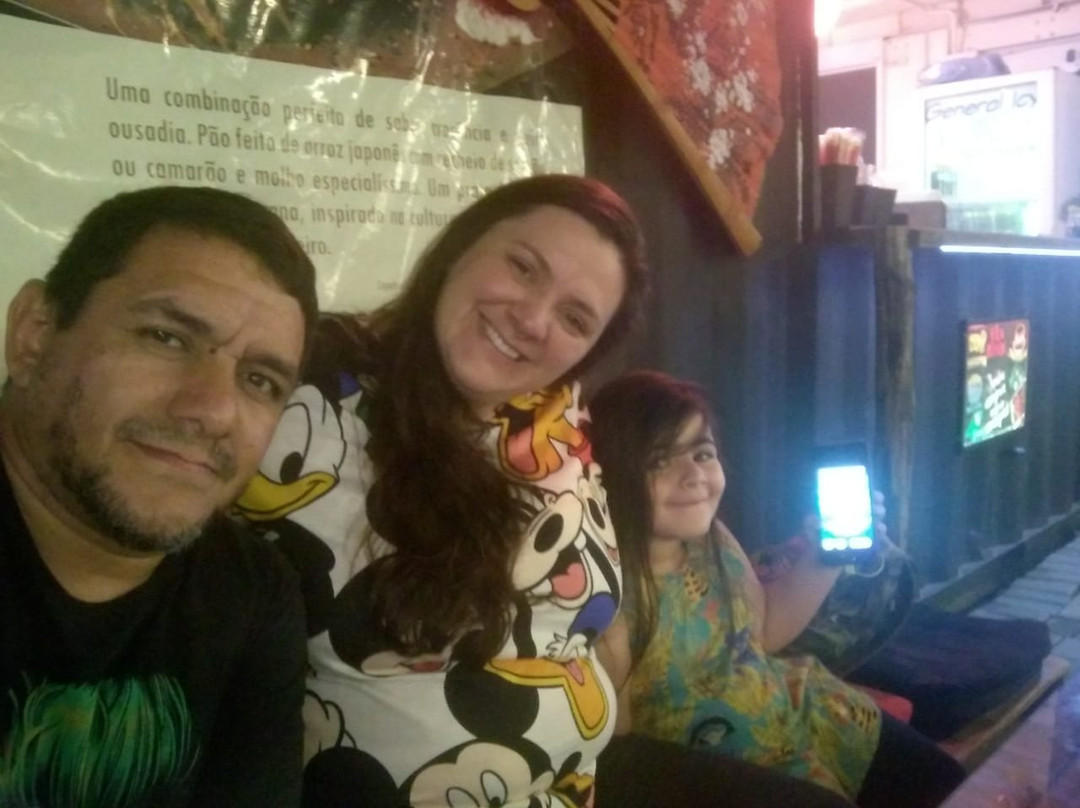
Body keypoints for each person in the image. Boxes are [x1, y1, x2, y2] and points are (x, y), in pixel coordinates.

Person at [234, 175, 851, 808]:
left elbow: (597, 624)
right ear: (462, 245)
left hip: (579, 779)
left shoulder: (559, 422)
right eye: (523, 268)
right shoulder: (308, 396)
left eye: (575, 319)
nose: (532, 321)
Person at [0, 186, 318, 808]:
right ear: (34, 334)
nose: (214, 410)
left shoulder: (251, 593)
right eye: (166, 338)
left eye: (259, 380)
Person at [587, 370, 968, 808]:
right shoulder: (604, 594)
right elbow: (622, 753)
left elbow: (763, 631)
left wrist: (824, 552)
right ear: (610, 475)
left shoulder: (712, 539)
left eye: (702, 453)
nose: (694, 475)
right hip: (718, 766)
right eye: (659, 461)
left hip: (803, 709)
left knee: (947, 782)